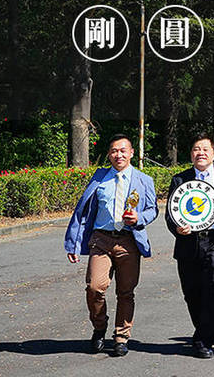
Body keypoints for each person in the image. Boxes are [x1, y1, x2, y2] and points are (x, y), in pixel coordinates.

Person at [63, 134, 158, 357]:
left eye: (123, 150)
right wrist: (73, 243)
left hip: (129, 241)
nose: (119, 155)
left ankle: (121, 336)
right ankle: (99, 328)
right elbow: (83, 211)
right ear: (109, 154)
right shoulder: (99, 178)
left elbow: (152, 210)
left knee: (126, 292)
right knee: (95, 287)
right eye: (114, 151)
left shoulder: (144, 180)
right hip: (101, 240)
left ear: (132, 153)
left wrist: (139, 218)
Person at [164, 135, 214, 359]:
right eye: (195, 149)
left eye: (205, 149)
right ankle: (202, 330)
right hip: (188, 242)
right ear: (191, 154)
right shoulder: (180, 179)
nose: (200, 153)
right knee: (191, 292)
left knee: (211, 290)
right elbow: (171, 213)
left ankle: (204, 339)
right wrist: (177, 228)